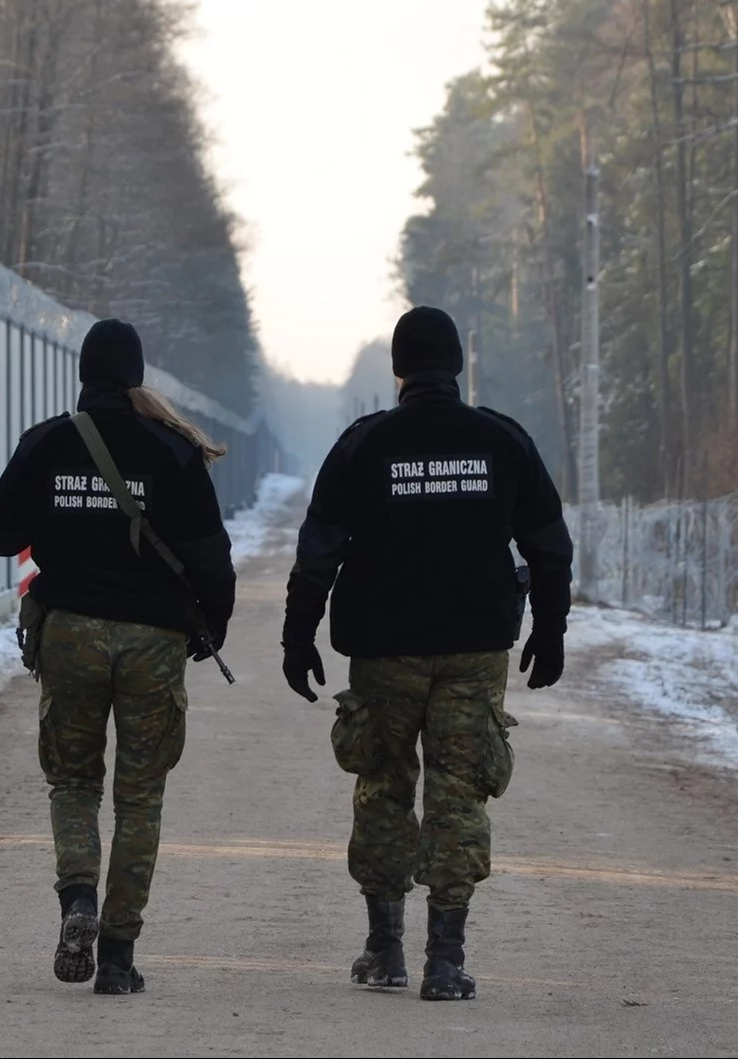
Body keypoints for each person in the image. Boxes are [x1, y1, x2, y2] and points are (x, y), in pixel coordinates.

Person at [280, 306, 573, 1001]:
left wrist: (298, 635)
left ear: (398, 368)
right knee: (459, 793)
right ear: (457, 365)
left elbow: (319, 547)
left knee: (383, 785)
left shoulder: (364, 443)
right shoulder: (501, 441)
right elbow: (547, 543)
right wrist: (551, 626)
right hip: (474, 647)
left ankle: (383, 949)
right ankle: (445, 957)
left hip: (384, 651)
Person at [0, 318, 236, 996]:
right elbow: (212, 556)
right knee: (140, 796)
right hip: (153, 640)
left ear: (83, 372)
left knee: (72, 782)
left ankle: (77, 903)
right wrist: (213, 628)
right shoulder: (172, 448)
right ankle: (118, 957)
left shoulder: (46, 442)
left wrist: (58, 518)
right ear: (136, 375)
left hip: (69, 634)